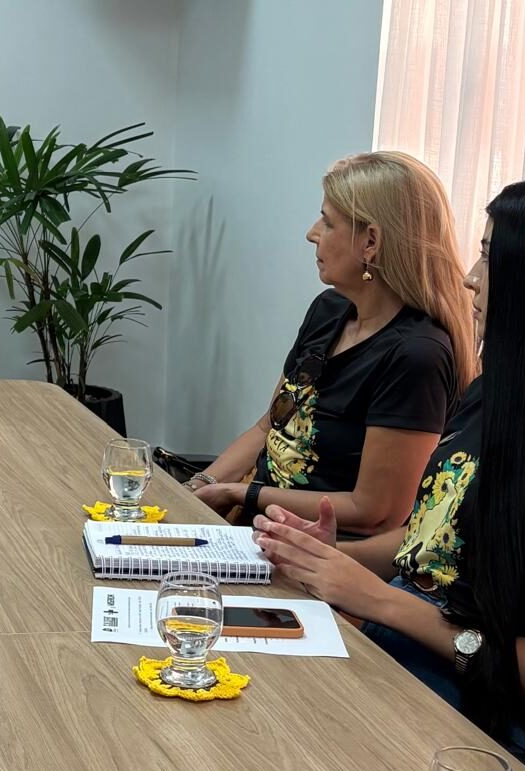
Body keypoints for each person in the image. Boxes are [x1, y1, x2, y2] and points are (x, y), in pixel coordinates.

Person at [254, 172, 525, 765]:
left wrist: (384, 603)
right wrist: (327, 558)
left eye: (491, 257)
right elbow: (430, 540)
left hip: (499, 720)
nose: (471, 277)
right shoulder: (494, 394)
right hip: (412, 644)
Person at [188, 152, 477, 536]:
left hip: (318, 552)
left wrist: (243, 494)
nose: (312, 233)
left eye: (327, 222)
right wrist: (199, 487)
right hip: (256, 528)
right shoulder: (329, 309)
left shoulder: (416, 356)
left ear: (371, 242)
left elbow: (375, 511)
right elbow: (269, 425)